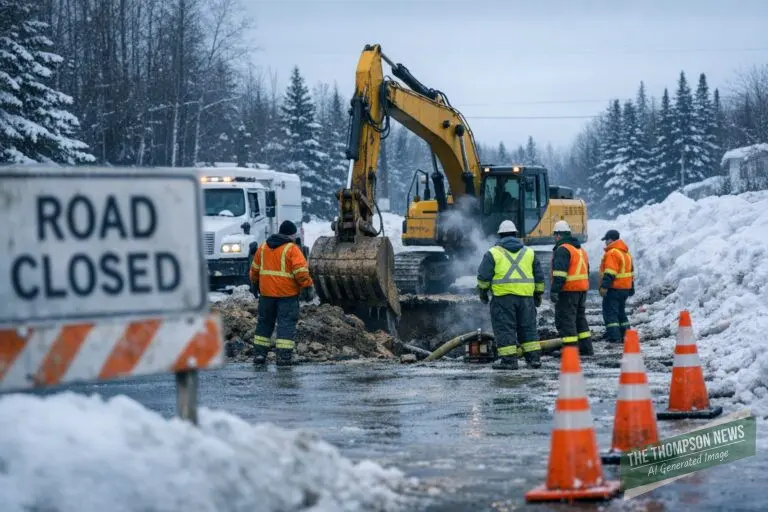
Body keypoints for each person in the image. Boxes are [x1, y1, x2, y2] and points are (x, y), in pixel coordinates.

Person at [476, 220, 545, 370]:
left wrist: (483, 293)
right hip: (526, 298)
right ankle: (533, 360)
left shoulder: (493, 253)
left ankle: (509, 361)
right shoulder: (529, 252)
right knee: (528, 328)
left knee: (505, 328)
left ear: (500, 235)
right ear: (515, 234)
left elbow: (483, 278)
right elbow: (539, 277)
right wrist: (538, 294)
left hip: (503, 299)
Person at [248, 220, 314, 366]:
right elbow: (301, 272)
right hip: (287, 296)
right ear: (291, 234)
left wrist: (255, 285)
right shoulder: (292, 249)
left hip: (266, 295)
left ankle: (259, 355)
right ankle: (283, 357)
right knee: (285, 325)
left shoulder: (263, 247)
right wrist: (308, 286)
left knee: (264, 324)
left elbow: (254, 270)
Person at [549, 220, 593, 356]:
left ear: (558, 235)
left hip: (568, 291)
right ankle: (586, 348)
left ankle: (570, 350)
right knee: (580, 319)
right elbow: (587, 270)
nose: (554, 238)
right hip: (581, 290)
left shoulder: (563, 249)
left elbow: (559, 274)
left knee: (566, 320)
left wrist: (555, 290)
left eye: (555, 235)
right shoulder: (580, 250)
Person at [598, 229, 634, 343]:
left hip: (614, 288)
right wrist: (631, 287)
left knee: (610, 313)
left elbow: (610, 272)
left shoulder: (612, 253)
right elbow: (630, 272)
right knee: (621, 313)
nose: (605, 243)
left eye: (606, 240)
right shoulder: (626, 253)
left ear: (610, 240)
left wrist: (604, 286)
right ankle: (626, 335)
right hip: (625, 289)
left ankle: (614, 337)